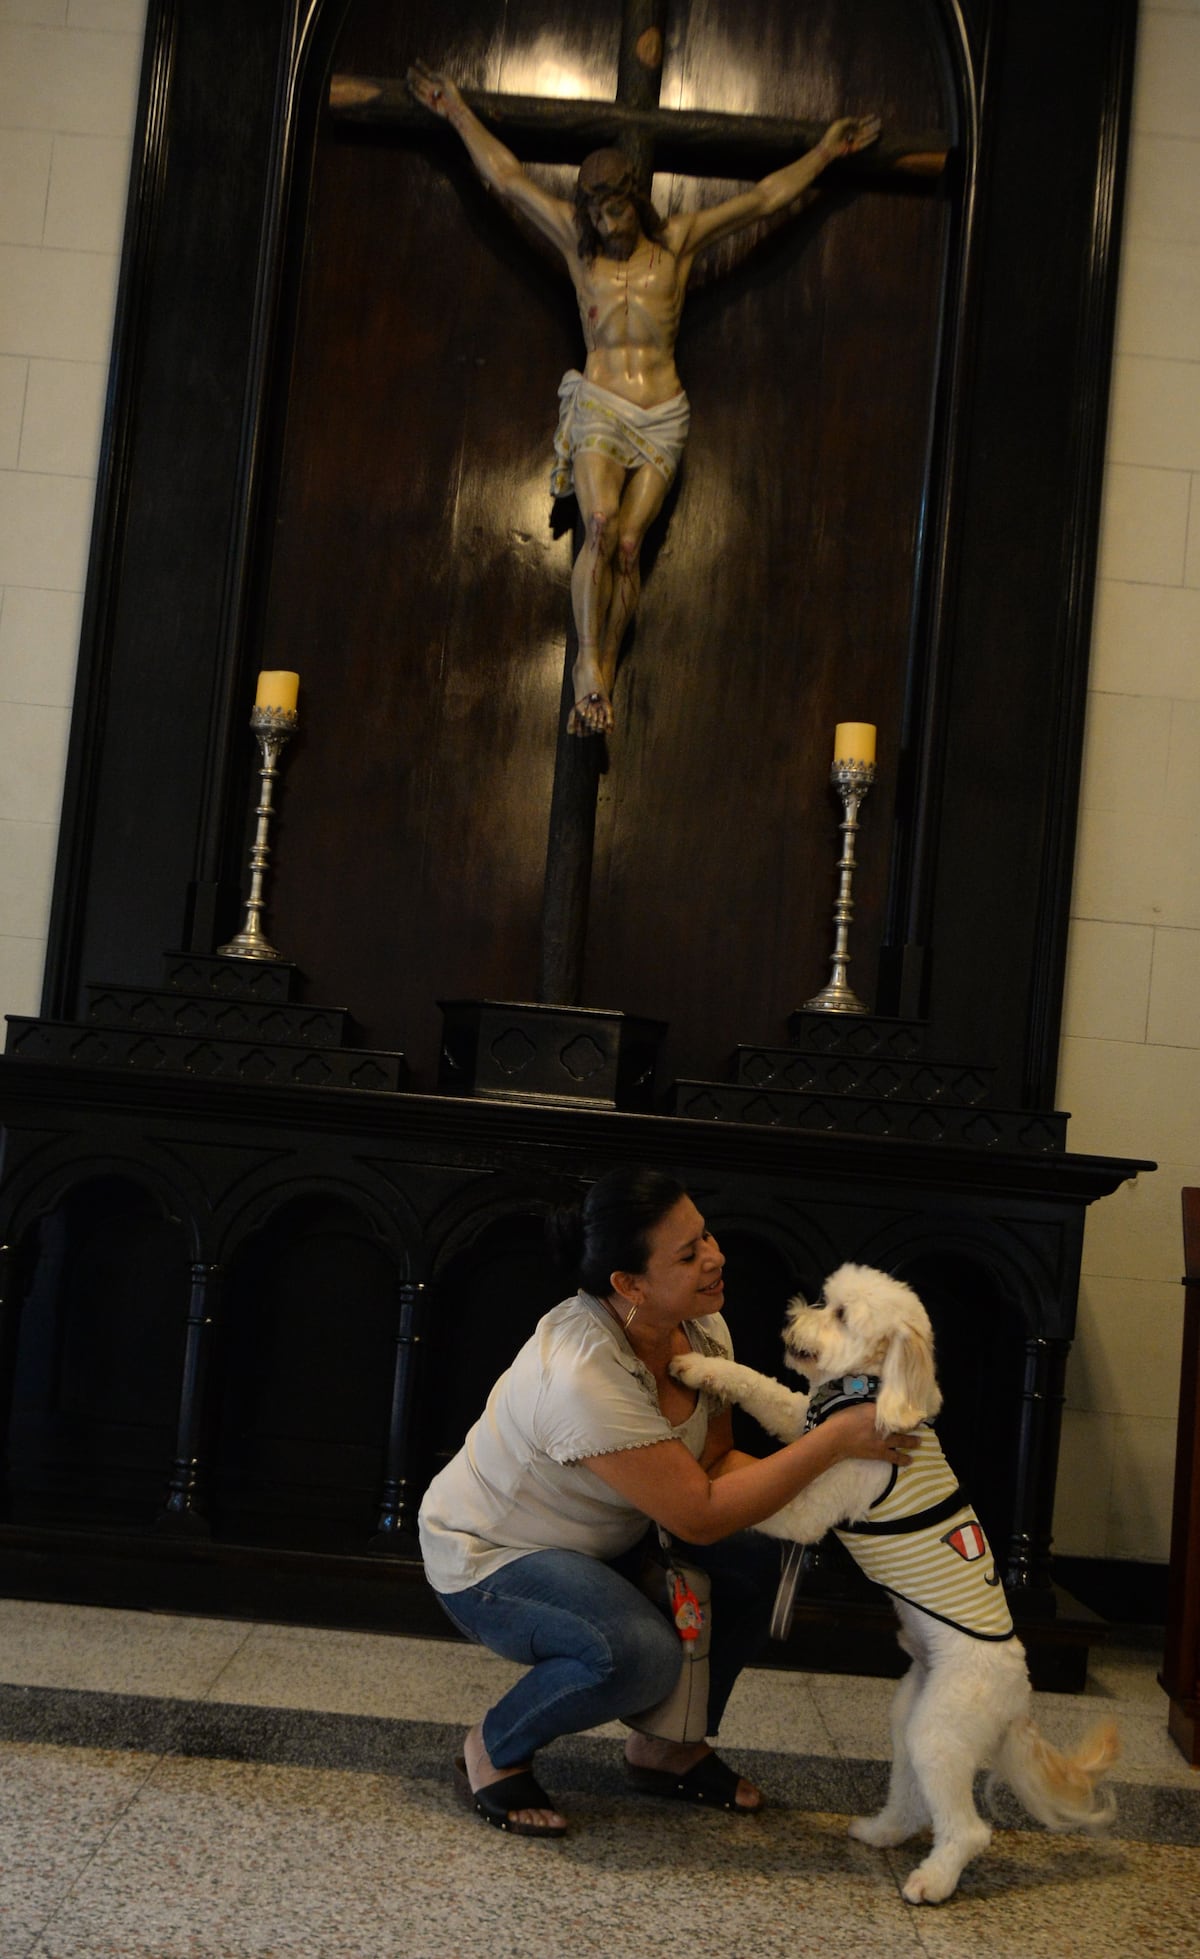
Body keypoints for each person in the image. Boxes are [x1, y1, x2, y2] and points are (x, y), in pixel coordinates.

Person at [417, 1165, 916, 1837]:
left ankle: (670, 1745)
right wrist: (832, 1442)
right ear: (629, 1284)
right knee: (636, 1655)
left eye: (704, 1233)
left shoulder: (698, 1324)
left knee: (767, 1547)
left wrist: (828, 1503)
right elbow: (698, 1513)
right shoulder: (579, 1373)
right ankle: (493, 1746)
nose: (716, 1255)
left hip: (609, 1538)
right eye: (688, 1253)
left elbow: (713, 1462)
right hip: (493, 1553)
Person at [407, 63, 880, 739]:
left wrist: (827, 152)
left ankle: (608, 671)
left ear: (638, 201)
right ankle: (587, 673)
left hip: (662, 413)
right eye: (598, 213)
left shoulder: (676, 244)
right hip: (600, 403)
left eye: (619, 209)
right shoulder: (580, 251)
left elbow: (764, 200)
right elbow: (507, 179)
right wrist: (454, 110)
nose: (610, 222)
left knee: (629, 546)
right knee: (598, 524)